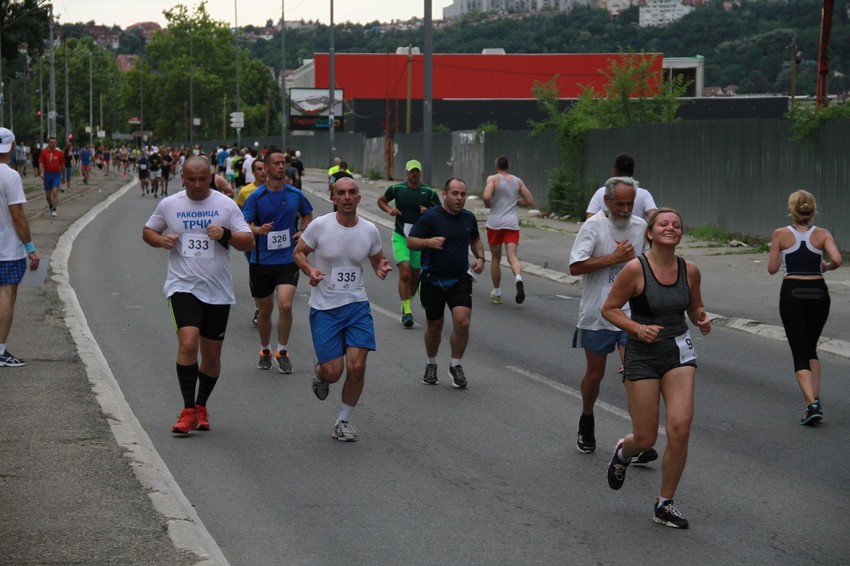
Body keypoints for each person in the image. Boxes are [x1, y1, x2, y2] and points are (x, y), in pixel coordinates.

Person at [601, 208, 711, 529]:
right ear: (650, 233)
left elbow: (695, 306)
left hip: (678, 351)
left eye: (676, 224)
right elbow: (609, 309)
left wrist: (702, 319)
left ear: (680, 234)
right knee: (646, 438)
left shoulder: (690, 271)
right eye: (663, 223)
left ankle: (664, 504)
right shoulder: (636, 269)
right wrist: (636, 329)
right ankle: (625, 452)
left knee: (680, 428)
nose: (671, 227)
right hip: (642, 353)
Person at [142, 156, 254, 435]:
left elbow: (248, 240)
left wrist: (225, 234)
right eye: (190, 179)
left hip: (217, 290)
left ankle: (202, 405)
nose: (196, 185)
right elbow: (148, 231)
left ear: (211, 176)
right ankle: (188, 409)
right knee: (188, 341)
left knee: (212, 356)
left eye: (202, 179)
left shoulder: (225, 205)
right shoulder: (170, 204)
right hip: (183, 285)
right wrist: (161, 240)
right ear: (182, 177)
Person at [293, 177, 392, 442]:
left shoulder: (370, 230)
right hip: (325, 308)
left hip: (357, 305)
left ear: (359, 197)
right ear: (334, 198)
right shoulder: (320, 226)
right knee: (333, 373)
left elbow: (376, 259)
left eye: (352, 192)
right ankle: (320, 373)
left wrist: (381, 267)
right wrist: (309, 269)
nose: (347, 197)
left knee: (357, 366)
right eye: (341, 193)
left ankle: (343, 421)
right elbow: (299, 252)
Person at [569, 177, 651, 454]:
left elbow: (651, 266)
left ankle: (640, 437)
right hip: (597, 312)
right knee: (595, 374)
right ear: (607, 202)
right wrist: (614, 258)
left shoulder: (641, 228)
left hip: (631, 313)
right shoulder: (593, 227)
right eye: (620, 203)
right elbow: (576, 266)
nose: (625, 209)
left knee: (634, 375)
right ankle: (587, 417)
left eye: (630, 203)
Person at [768, 190, 842, 425]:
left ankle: (812, 405)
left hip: (793, 294)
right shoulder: (822, 234)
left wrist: (780, 255)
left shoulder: (780, 234)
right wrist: (826, 267)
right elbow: (838, 260)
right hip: (819, 294)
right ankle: (814, 399)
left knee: (799, 351)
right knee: (811, 348)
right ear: (812, 209)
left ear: (791, 210)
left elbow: (771, 268)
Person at [407, 178, 485, 389]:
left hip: (460, 279)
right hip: (433, 280)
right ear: (445, 194)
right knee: (435, 326)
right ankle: (431, 363)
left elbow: (475, 240)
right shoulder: (430, 217)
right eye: (455, 194)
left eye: (463, 194)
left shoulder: (469, 218)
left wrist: (480, 258)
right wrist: (427, 242)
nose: (459, 198)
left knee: (462, 321)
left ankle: (455, 365)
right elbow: (411, 241)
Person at [242, 149, 314, 374]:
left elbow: (308, 214)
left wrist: (302, 230)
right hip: (262, 261)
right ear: (266, 168)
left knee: (285, 304)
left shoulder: (294, 194)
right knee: (265, 311)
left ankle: (282, 351)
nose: (281, 166)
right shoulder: (256, 197)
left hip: (287, 258)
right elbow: (243, 225)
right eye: (276, 163)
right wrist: (258, 230)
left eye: (283, 163)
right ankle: (265, 349)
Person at [378, 159, 441, 328]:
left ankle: (407, 303)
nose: (414, 174)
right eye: (411, 171)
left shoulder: (429, 192)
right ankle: (407, 311)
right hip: (401, 237)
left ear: (420, 173)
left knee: (414, 277)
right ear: (406, 173)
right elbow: (381, 201)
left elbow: (441, 213)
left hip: (419, 240)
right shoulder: (397, 189)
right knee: (404, 272)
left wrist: (429, 211)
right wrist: (389, 209)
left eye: (417, 171)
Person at [0, 128, 40, 367]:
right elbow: (18, 216)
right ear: (13, 147)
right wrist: (31, 248)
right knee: (6, 295)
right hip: (6, 249)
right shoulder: (11, 176)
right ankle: (1, 351)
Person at [482, 155, 534, 305]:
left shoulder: (493, 179)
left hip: (495, 223)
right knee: (512, 257)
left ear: (496, 166)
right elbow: (529, 200)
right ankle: (518, 278)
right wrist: (517, 202)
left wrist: (488, 204)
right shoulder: (517, 181)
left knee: (496, 259)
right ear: (508, 166)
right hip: (511, 223)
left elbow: (486, 196)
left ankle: (497, 292)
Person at [236, 159, 268, 327]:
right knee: (257, 274)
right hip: (253, 240)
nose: (263, 172)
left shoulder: (280, 189)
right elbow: (238, 215)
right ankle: (259, 308)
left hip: (274, 242)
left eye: (265, 169)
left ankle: (266, 306)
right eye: (259, 169)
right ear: (253, 172)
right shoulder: (245, 192)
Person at [586, 154, 658, 220]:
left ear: (613, 172)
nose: (625, 210)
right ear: (633, 172)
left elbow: (590, 219)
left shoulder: (601, 192)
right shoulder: (644, 194)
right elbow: (654, 217)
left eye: (630, 203)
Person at [38, 136, 65, 218]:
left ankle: (54, 209)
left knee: (55, 192)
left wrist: (63, 176)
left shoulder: (59, 153)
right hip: (47, 174)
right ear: (48, 143)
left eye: (54, 142)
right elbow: (41, 163)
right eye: (51, 142)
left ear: (56, 143)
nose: (53, 144)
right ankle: (50, 205)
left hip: (56, 174)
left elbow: (63, 165)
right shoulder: (44, 152)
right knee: (48, 195)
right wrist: (42, 172)